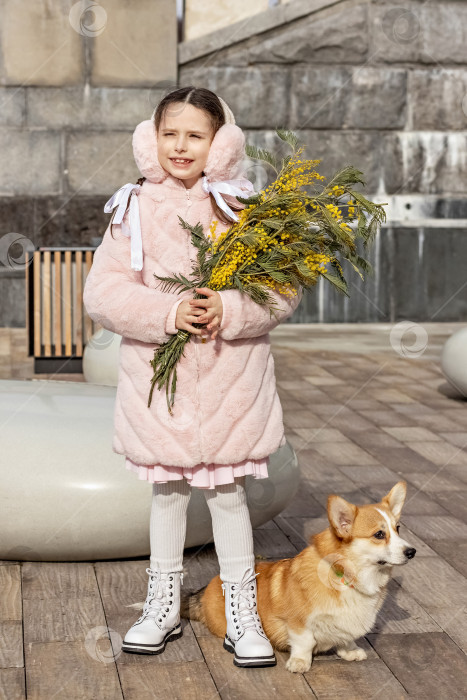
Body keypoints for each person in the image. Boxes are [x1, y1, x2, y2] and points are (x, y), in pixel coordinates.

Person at [83, 86, 302, 667]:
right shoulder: (132, 208)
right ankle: (161, 603)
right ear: (151, 140)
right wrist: (165, 312)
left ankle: (240, 611)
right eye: (170, 134)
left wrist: (228, 308)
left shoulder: (241, 210)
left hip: (232, 381)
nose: (181, 146)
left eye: (195, 135)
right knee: (167, 494)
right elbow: (102, 292)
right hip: (163, 383)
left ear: (219, 143)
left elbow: (281, 291)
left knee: (229, 495)